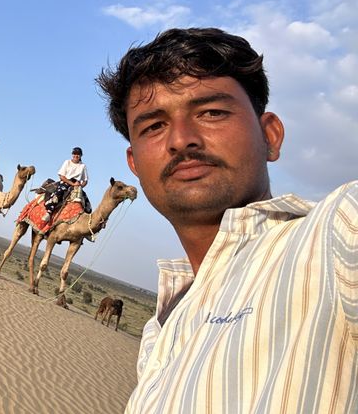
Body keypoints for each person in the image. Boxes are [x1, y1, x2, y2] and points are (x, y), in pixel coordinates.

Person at [96, 27, 357, 413]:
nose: (181, 139)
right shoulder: (161, 329)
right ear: (134, 163)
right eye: (154, 125)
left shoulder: (335, 238)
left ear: (270, 136)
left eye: (212, 112)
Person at [43, 147, 88, 223]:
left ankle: (87, 223)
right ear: (72, 154)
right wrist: (72, 184)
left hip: (77, 185)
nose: (76, 155)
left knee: (86, 202)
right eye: (74, 153)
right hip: (66, 182)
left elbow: (85, 180)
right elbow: (62, 176)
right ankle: (49, 212)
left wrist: (80, 186)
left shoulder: (82, 166)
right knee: (58, 193)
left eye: (78, 154)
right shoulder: (67, 162)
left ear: (81, 155)